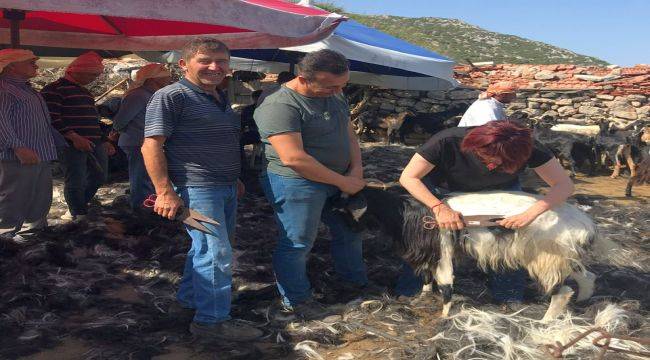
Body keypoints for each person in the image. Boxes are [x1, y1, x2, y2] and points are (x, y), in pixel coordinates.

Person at [141, 38, 261, 341]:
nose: (214, 67)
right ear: (184, 64)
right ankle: (211, 323)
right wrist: (165, 192)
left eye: (221, 61)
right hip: (197, 189)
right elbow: (151, 146)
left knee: (206, 249)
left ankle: (189, 303)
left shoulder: (219, 98)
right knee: (216, 252)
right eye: (205, 60)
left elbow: (220, 141)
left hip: (224, 187)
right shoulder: (171, 96)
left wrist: (233, 177)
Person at [397, 120, 574, 303]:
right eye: (488, 159)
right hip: (444, 189)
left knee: (507, 238)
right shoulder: (446, 140)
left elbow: (564, 185)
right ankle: (411, 290)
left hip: (501, 192)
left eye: (503, 164)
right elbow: (408, 177)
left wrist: (530, 213)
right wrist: (438, 207)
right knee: (424, 237)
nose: (493, 166)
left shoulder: (528, 147)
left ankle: (507, 295)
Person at [254, 49, 367, 319]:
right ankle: (296, 299)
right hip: (297, 183)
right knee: (298, 241)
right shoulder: (280, 105)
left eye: (342, 85)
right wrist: (345, 182)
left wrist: (357, 169)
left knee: (350, 230)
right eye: (330, 86)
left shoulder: (334, 93)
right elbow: (294, 158)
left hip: (339, 179)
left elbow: (348, 132)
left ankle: (353, 281)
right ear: (304, 78)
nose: (338, 91)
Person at [41, 51, 116, 221]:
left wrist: (104, 140)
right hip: (70, 144)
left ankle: (79, 205)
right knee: (76, 179)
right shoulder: (54, 90)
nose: (94, 79)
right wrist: (74, 137)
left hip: (94, 142)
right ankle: (78, 213)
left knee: (99, 176)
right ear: (75, 71)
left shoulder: (85, 92)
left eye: (96, 75)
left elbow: (93, 120)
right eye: (91, 74)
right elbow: (51, 118)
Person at [0, 49, 58, 242]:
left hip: (39, 152)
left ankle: (34, 237)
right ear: (12, 66)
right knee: (15, 198)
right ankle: (5, 239)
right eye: (30, 62)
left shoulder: (26, 88)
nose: (36, 65)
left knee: (40, 198)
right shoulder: (4, 89)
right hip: (18, 156)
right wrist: (17, 146)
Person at [112, 63, 171, 210]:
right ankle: (141, 208)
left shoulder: (152, 94)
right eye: (165, 77)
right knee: (140, 176)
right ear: (153, 79)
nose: (169, 80)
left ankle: (147, 205)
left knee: (147, 176)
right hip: (136, 142)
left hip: (146, 142)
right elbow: (120, 121)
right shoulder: (138, 95)